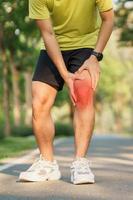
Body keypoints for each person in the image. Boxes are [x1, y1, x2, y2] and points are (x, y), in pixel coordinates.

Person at [19, 0, 114, 184]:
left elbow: (108, 19)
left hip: (86, 44)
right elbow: (47, 33)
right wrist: (65, 74)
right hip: (54, 44)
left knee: (83, 91)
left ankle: (80, 163)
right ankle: (47, 163)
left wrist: (95, 57)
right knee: (39, 99)